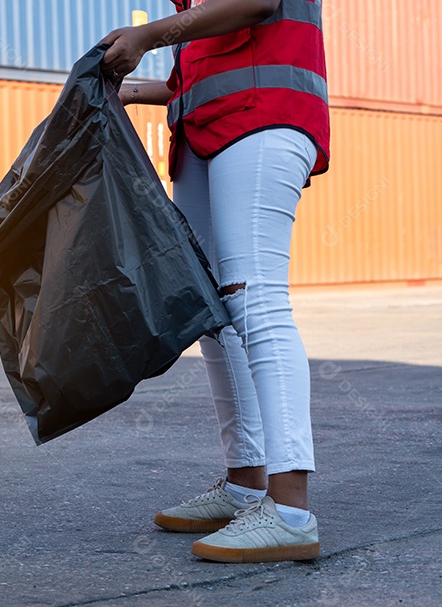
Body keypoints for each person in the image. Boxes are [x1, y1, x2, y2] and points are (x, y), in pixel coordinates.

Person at [101, 0, 329, 563]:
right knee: (214, 312)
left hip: (263, 118)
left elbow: (259, 4)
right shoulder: (191, 11)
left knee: (256, 300)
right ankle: (245, 483)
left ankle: (291, 510)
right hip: (207, 135)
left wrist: (147, 35)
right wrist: (124, 91)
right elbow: (194, 80)